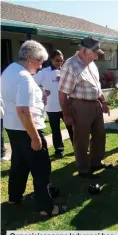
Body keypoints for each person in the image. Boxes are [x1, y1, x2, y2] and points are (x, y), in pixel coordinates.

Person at [1, 40, 66, 216]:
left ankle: (14, 197)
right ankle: (46, 208)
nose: (40, 66)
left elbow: (17, 100)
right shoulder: (24, 77)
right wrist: (35, 137)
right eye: (39, 62)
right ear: (30, 57)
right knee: (41, 169)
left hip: (12, 127)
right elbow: (22, 110)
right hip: (28, 129)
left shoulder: (9, 71)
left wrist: (39, 95)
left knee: (19, 165)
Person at [59, 37, 110, 179]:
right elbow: (62, 93)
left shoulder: (92, 64)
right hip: (80, 105)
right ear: (84, 50)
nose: (96, 55)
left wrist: (103, 101)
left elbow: (97, 87)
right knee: (81, 138)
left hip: (95, 104)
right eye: (94, 52)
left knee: (100, 135)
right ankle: (83, 168)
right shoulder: (71, 65)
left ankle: (96, 162)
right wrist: (66, 114)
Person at [34, 49, 73, 159]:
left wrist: (64, 80)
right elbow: (32, 83)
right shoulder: (44, 72)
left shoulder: (66, 71)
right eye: (57, 60)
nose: (60, 63)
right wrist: (42, 91)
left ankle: (77, 147)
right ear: (51, 59)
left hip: (66, 105)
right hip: (52, 107)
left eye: (62, 61)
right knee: (56, 130)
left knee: (71, 127)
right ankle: (59, 150)